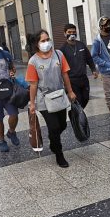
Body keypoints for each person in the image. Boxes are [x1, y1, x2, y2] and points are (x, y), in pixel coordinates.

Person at [26, 30, 76, 168]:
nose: (46, 42)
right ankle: (59, 155)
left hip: (59, 96)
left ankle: (53, 140)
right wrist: (32, 103)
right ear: (37, 44)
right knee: (54, 127)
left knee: (62, 125)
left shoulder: (59, 55)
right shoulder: (33, 61)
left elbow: (65, 74)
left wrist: (70, 91)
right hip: (44, 100)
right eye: (42, 41)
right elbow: (33, 84)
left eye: (47, 39)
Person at [60, 23, 98, 108]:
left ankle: (77, 114)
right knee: (78, 101)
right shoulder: (62, 49)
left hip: (83, 78)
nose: (72, 34)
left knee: (86, 98)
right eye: (69, 32)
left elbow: (89, 58)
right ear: (65, 33)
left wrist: (93, 70)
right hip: (72, 80)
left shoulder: (81, 45)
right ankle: (78, 118)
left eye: (74, 32)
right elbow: (60, 67)